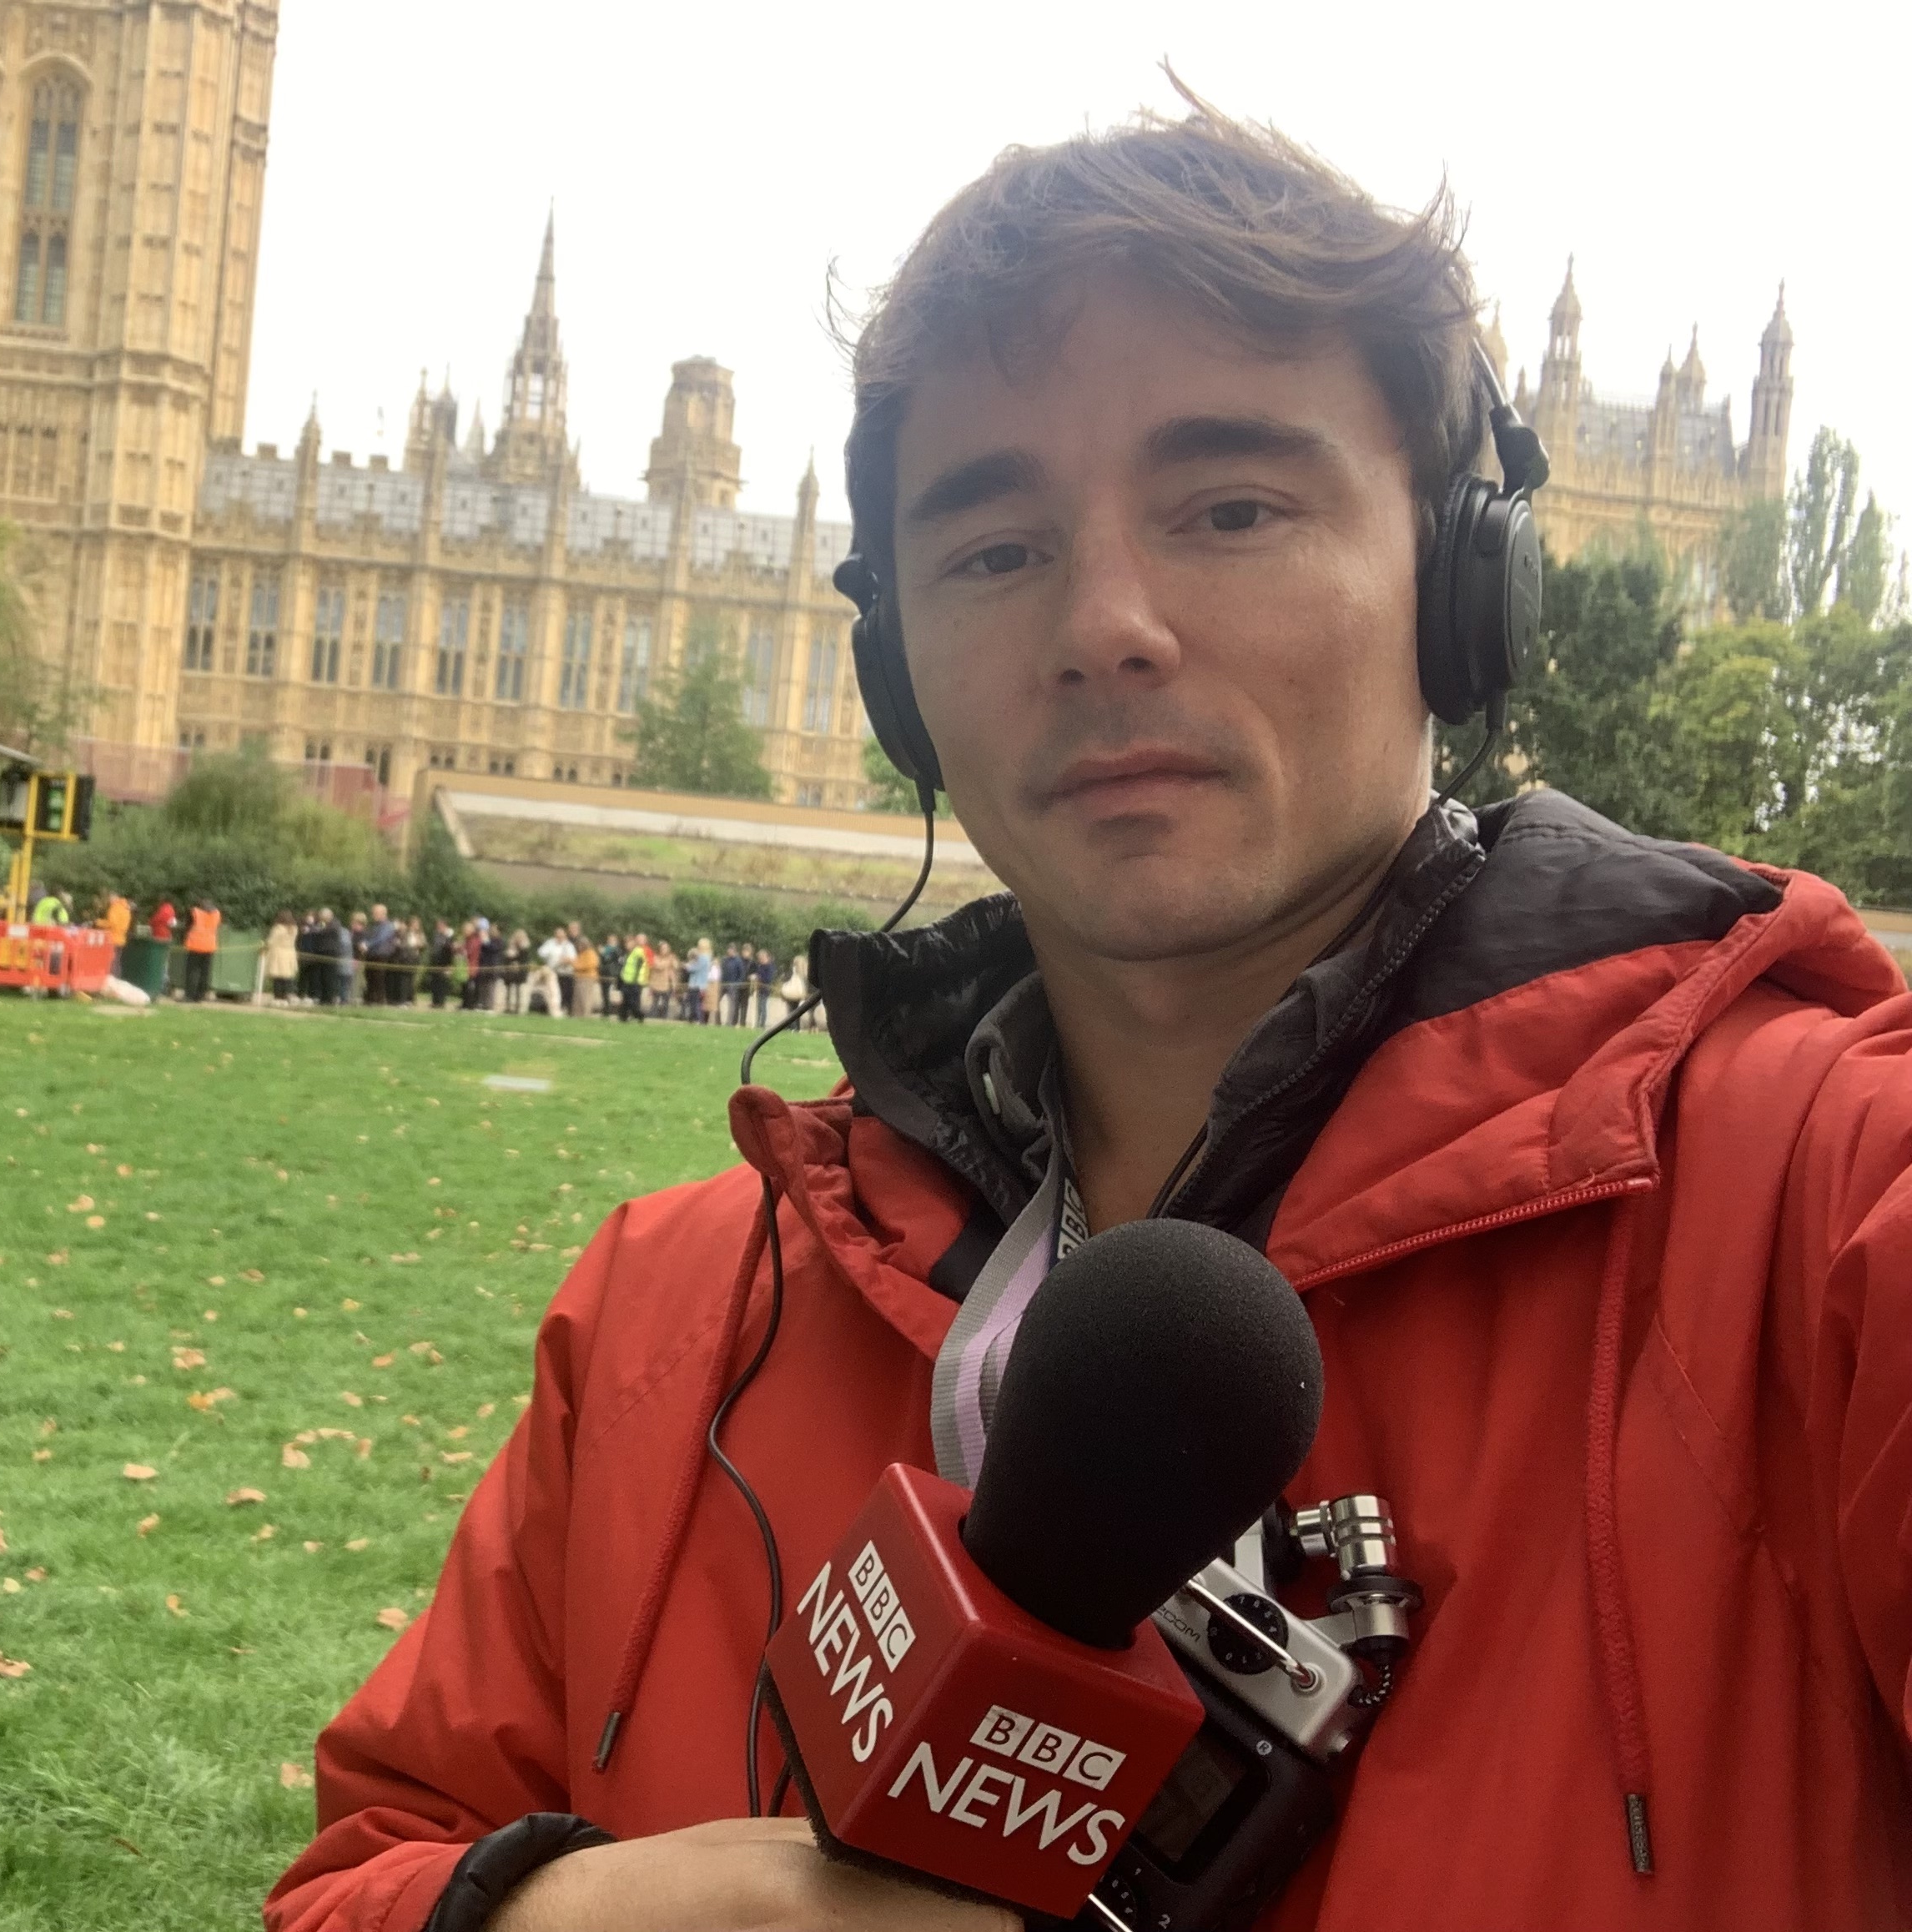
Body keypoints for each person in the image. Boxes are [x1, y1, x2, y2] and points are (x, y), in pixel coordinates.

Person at [270, 97, 1912, 1932]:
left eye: (1229, 508)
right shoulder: (670, 1322)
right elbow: (358, 1871)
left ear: (1464, 586)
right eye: (991, 550)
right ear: (892, 670)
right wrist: (544, 1918)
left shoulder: (1821, 1211)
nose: (1105, 622)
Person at [183, 895, 220, 1003]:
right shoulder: (217, 914)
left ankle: (189, 996)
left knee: (192, 972)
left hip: (196, 945)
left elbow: (187, 926)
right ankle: (200, 996)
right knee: (205, 972)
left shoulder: (195, 912)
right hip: (210, 946)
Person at [262, 910, 299, 1005]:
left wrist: (264, 946)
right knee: (286, 978)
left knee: (278, 977)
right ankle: (285, 998)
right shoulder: (294, 929)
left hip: (279, 953)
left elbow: (271, 941)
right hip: (290, 953)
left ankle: (277, 998)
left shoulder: (278, 929)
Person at [615, 931, 649, 1023]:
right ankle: (623, 1018)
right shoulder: (626, 953)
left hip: (635, 982)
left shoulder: (638, 952)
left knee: (633, 1002)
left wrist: (636, 979)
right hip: (626, 980)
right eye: (626, 943)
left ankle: (640, 1016)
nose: (627, 945)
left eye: (629, 943)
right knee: (625, 1001)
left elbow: (640, 966)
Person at [569, 925, 601, 1019]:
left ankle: (585, 1015)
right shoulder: (581, 954)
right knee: (577, 998)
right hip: (579, 977)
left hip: (587, 978)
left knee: (585, 998)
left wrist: (575, 965)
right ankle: (577, 1014)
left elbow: (591, 964)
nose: (578, 947)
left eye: (580, 945)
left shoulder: (591, 953)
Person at [718, 941, 751, 1028]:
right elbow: (721, 971)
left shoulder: (738, 961)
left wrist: (737, 983)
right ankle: (718, 1021)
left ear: (735, 951)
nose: (730, 951)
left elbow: (742, 973)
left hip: (733, 985)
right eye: (729, 950)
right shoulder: (724, 960)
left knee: (732, 1005)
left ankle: (729, 1023)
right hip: (723, 984)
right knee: (717, 1001)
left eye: (731, 950)